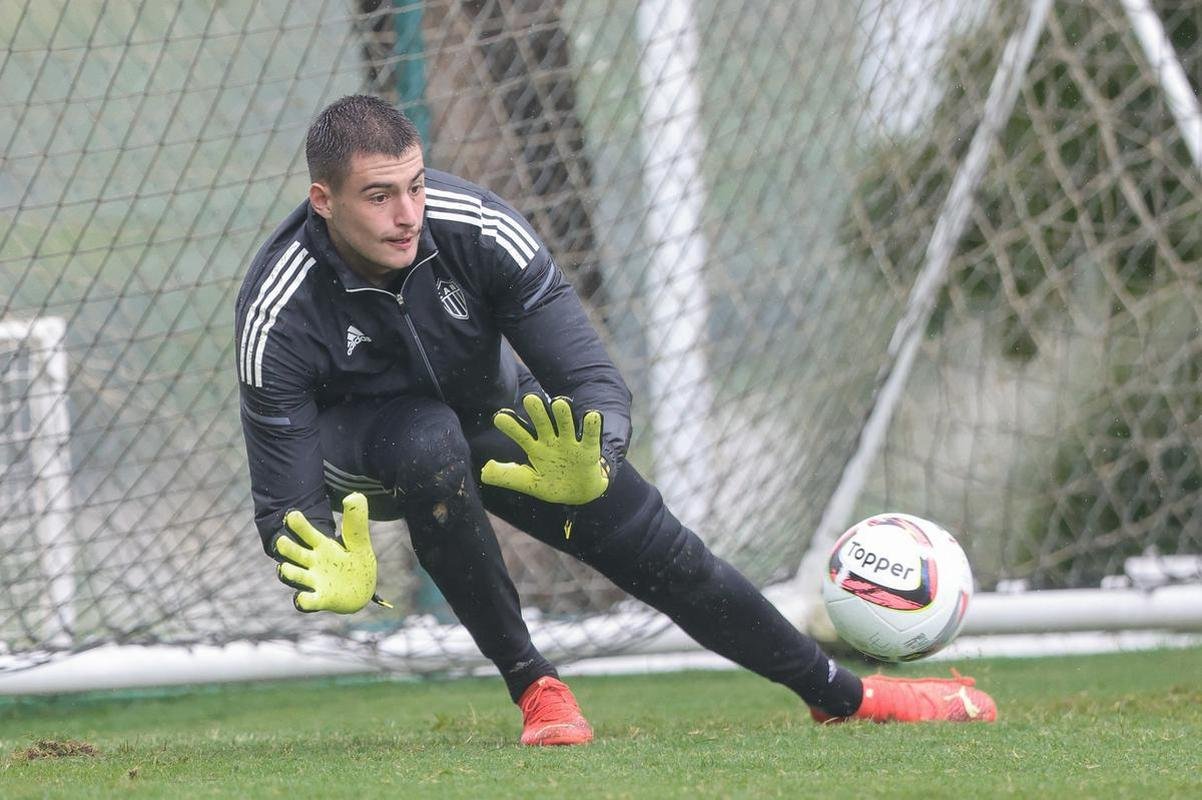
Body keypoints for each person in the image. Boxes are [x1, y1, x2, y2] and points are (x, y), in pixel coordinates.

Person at [235, 94, 997, 746]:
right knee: (429, 441)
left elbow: (593, 380)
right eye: (378, 196)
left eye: (415, 185)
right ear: (323, 201)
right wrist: (316, 558)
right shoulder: (278, 309)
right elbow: (285, 504)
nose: (407, 216)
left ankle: (844, 696)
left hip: (490, 416)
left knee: (657, 545)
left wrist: (597, 454)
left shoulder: (477, 231)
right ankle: (536, 687)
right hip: (365, 460)